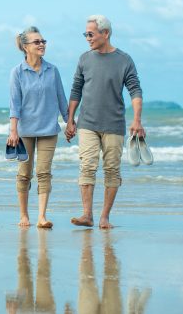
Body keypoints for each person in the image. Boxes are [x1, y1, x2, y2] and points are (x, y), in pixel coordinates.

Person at [64, 15, 144, 229]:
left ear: (105, 33)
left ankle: (104, 218)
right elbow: (76, 90)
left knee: (112, 170)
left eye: (90, 34)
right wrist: (70, 120)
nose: (87, 38)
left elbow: (135, 90)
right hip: (87, 123)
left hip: (114, 125)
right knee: (87, 167)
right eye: (86, 34)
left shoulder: (124, 60)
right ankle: (87, 215)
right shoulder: (84, 59)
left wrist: (137, 120)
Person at [8, 26, 69, 228]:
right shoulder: (17, 72)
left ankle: (42, 217)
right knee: (24, 174)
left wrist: (69, 122)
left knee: (44, 173)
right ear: (26, 47)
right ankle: (24, 216)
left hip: (49, 130)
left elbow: (61, 98)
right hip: (24, 131)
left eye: (43, 41)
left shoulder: (53, 70)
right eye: (37, 42)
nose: (42, 44)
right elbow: (15, 104)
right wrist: (13, 131)